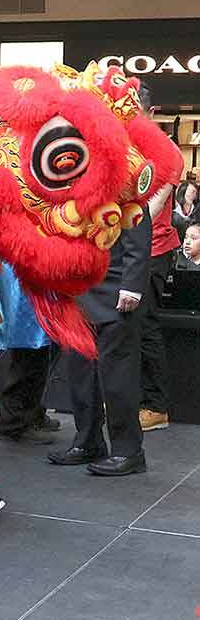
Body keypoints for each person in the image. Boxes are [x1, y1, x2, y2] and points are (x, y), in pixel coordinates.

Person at [49, 210, 152, 476]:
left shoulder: (126, 182)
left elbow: (138, 238)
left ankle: (128, 450)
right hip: (81, 288)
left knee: (118, 377)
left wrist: (132, 285)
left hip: (117, 287)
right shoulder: (71, 185)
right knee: (80, 373)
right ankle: (88, 440)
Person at [140, 112, 182, 434]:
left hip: (154, 248)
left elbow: (152, 210)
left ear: (150, 113)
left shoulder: (168, 152)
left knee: (145, 325)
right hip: (130, 248)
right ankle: (134, 398)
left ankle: (156, 406)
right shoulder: (128, 145)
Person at [0, 263, 60, 445]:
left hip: (38, 272)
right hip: (24, 272)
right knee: (29, 346)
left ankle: (31, 412)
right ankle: (13, 423)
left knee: (42, 346)